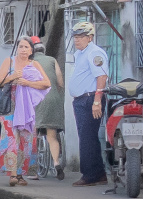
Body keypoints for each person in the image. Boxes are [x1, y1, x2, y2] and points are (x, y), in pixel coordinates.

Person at [0, 36, 50, 186]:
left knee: (26, 139)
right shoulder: (9, 61)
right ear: (17, 49)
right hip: (9, 107)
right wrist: (12, 77)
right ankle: (12, 174)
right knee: (11, 138)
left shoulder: (34, 64)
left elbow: (46, 83)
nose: (23, 50)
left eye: (26, 47)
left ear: (31, 51)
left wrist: (27, 82)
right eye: (21, 47)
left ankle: (20, 174)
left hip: (26, 108)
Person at [65, 19, 110, 185]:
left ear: (90, 37)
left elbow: (102, 76)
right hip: (82, 100)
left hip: (91, 98)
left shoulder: (94, 53)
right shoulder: (81, 53)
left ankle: (90, 175)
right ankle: (98, 173)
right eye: (75, 36)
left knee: (87, 137)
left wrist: (97, 101)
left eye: (81, 36)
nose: (77, 39)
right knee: (87, 137)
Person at [29, 33, 65, 179]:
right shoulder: (52, 59)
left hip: (36, 100)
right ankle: (56, 163)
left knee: (33, 133)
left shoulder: (29, 63)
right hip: (54, 99)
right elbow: (60, 82)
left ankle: (35, 170)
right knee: (52, 136)